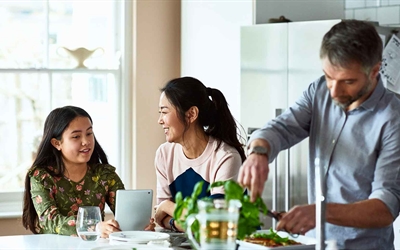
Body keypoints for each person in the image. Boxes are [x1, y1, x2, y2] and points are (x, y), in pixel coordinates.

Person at [238, 19, 400, 249]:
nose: (334, 91)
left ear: (375, 71)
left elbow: (385, 207)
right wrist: (258, 152)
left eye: (348, 81)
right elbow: (281, 128)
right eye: (328, 77)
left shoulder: (393, 119)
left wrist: (320, 212)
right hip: (314, 244)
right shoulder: (319, 92)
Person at [154, 76, 246, 232]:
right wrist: (170, 215)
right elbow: (160, 218)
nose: (160, 120)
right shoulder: (164, 153)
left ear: (191, 114)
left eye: (164, 112)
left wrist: (168, 207)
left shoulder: (226, 157)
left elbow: (212, 224)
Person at [22, 106, 126, 238]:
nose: (86, 142)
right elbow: (51, 221)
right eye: (76, 136)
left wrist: (140, 225)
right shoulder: (42, 176)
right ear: (57, 143)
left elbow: (125, 213)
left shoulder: (105, 174)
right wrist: (95, 227)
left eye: (89, 133)